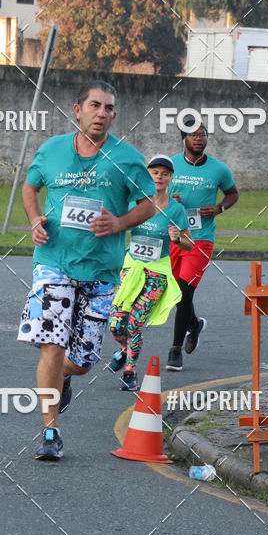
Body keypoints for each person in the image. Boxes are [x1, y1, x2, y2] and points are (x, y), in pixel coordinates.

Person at [18, 80, 156, 460]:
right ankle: (50, 433)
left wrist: (118, 223)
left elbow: (149, 203)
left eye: (109, 108)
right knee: (51, 345)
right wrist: (34, 220)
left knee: (81, 362)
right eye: (95, 105)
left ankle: (64, 377)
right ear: (77, 110)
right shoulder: (52, 150)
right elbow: (31, 188)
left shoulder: (126, 158)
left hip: (101, 271)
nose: (102, 113)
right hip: (54, 263)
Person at [107, 154, 193, 390]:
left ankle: (131, 373)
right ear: (148, 175)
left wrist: (178, 239)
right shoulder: (136, 203)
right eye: (155, 172)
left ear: (170, 178)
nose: (159, 177)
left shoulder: (176, 210)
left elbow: (189, 243)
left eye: (164, 174)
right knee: (116, 324)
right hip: (131, 268)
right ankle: (125, 349)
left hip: (156, 274)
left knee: (135, 324)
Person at [166, 117, 239, 371]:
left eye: (203, 134)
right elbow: (152, 191)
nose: (199, 138)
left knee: (185, 292)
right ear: (183, 138)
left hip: (201, 240)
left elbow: (233, 194)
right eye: (194, 134)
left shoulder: (219, 170)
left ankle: (175, 350)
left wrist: (219, 207)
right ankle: (194, 325)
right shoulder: (171, 165)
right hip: (175, 237)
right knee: (177, 293)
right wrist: (168, 198)